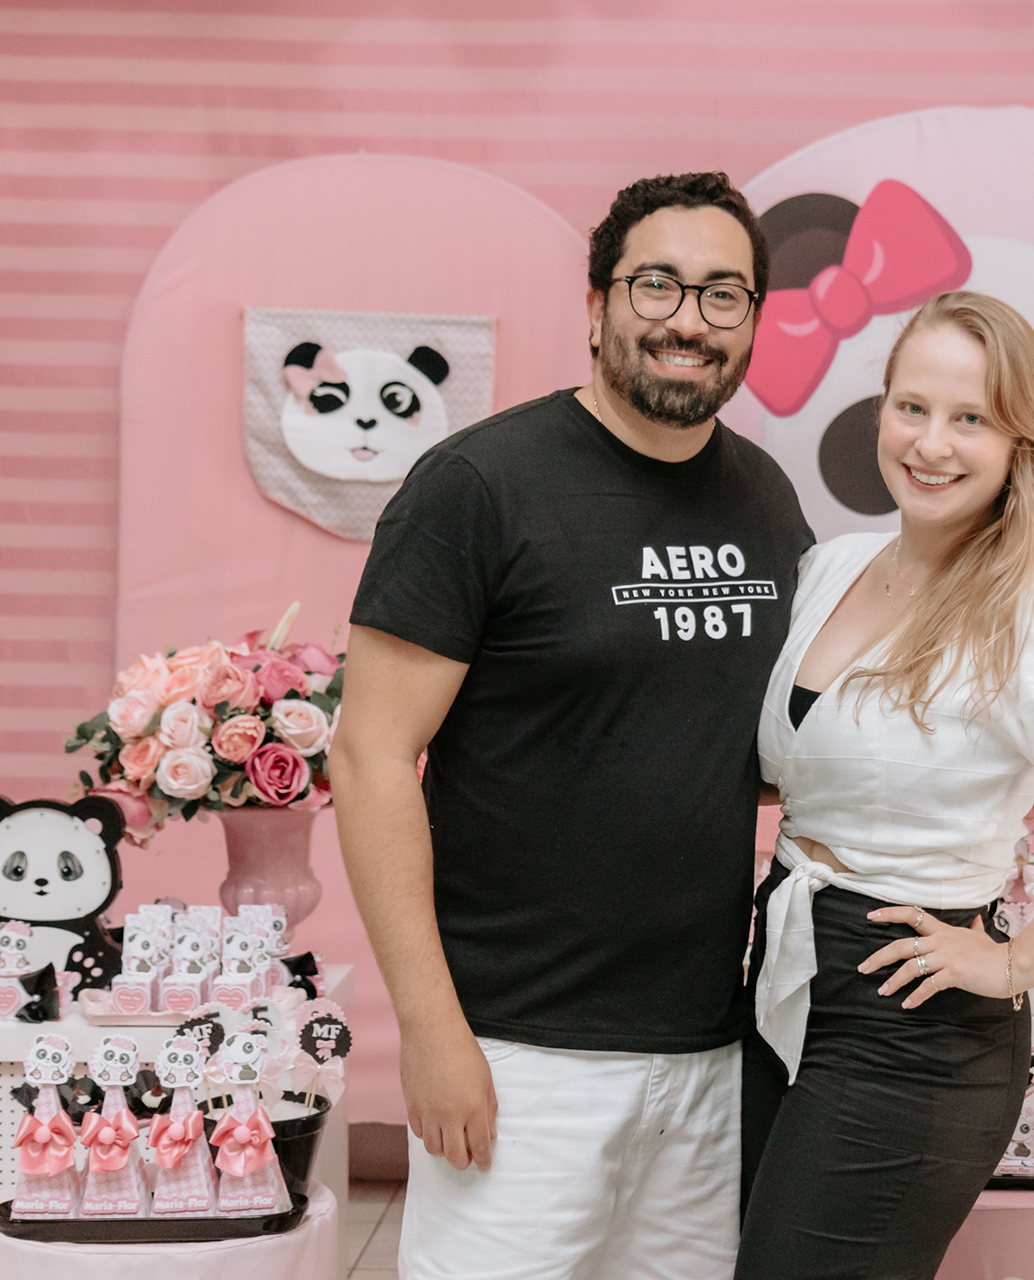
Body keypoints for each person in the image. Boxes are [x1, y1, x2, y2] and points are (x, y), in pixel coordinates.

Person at [330, 171, 812, 1280]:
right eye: (657, 284)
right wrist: (431, 1029)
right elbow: (369, 758)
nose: (688, 319)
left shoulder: (766, 499)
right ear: (597, 306)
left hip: (707, 1045)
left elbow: (746, 749)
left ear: (750, 320)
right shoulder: (478, 486)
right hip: (515, 1049)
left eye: (723, 293)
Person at [739, 291, 1034, 1278]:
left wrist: (1014, 962)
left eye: (971, 419)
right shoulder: (831, 568)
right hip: (785, 975)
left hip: (911, 1018)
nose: (931, 443)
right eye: (912, 406)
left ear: (1019, 444)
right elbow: (810, 769)